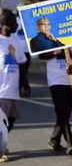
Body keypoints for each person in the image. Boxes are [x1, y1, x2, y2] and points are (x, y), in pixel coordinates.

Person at [36, 19, 72, 156]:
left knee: (65, 112)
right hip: (55, 79)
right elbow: (40, 54)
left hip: (71, 80)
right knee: (61, 110)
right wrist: (56, 52)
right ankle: (71, 143)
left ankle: (54, 139)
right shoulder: (48, 37)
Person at [0, 9, 27, 162]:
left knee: (11, 121)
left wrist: (25, 83)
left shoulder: (16, 40)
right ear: (6, 24)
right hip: (1, 91)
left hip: (13, 90)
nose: (17, 24)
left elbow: (22, 64)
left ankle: (2, 144)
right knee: (1, 123)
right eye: (14, 22)